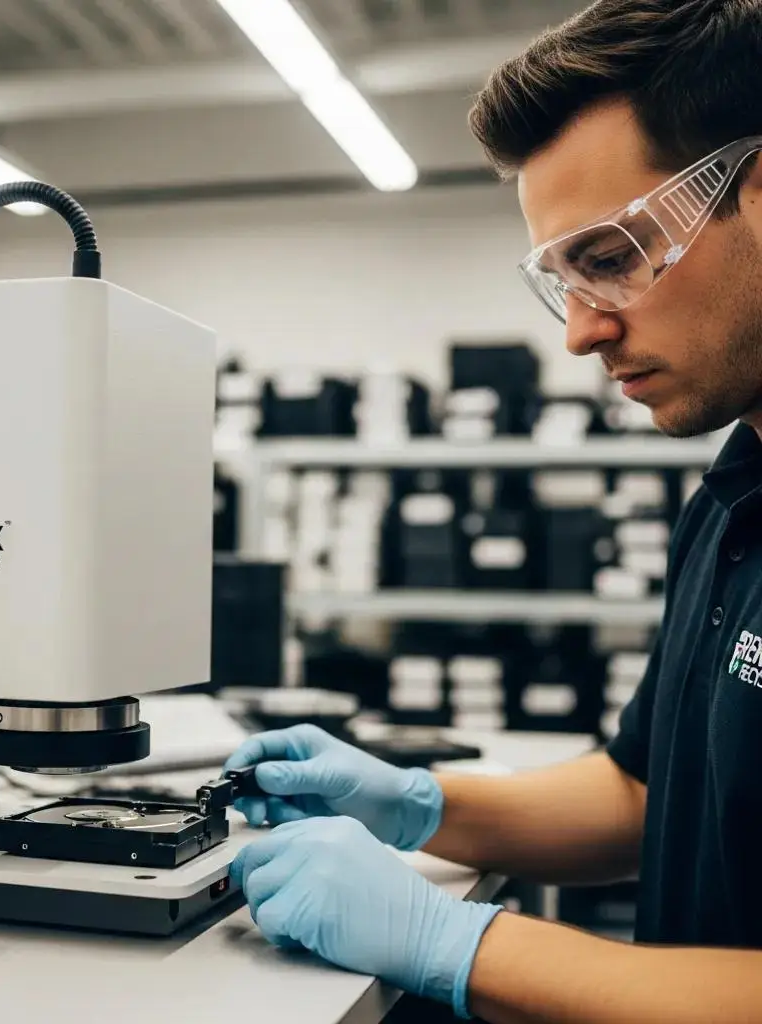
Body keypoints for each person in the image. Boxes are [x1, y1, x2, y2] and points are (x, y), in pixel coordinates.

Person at [224, 2, 762, 1020]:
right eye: (560, 282)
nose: (582, 333)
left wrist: (458, 942)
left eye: (609, 258)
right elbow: (648, 795)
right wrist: (411, 800)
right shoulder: (734, 494)